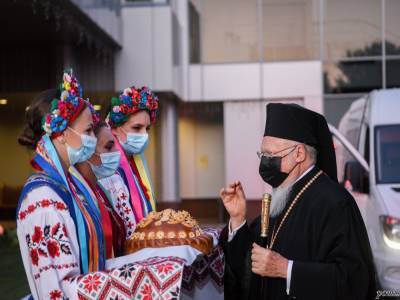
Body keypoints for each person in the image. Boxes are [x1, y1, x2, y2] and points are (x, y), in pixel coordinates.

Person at [16, 71, 180, 299]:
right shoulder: (42, 198)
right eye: (88, 131)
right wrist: (134, 281)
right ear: (61, 134)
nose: (93, 139)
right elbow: (55, 289)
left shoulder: (65, 189)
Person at [219, 103, 377, 300]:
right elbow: (252, 264)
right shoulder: (281, 195)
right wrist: (238, 219)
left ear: (299, 154)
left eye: (271, 154)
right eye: (262, 154)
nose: (265, 162)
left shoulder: (335, 203)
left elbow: (354, 280)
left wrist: (287, 269)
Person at [75, 120, 136, 258]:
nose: (117, 153)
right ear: (87, 152)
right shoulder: (77, 197)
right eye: (109, 147)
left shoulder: (100, 191)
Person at [107, 86, 159, 223]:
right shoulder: (107, 167)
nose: (144, 135)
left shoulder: (135, 160)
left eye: (147, 128)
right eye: (137, 128)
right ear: (115, 129)